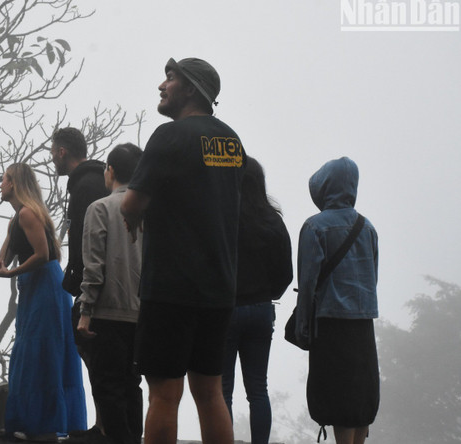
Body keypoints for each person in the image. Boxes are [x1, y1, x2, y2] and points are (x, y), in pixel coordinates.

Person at [121, 57, 246, 444]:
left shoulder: (168, 136)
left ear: (190, 89)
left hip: (171, 287)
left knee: (164, 394)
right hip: (219, 288)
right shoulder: (231, 141)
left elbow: (129, 205)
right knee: (210, 393)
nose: (162, 85)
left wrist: (138, 216)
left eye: (170, 79)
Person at [0, 163, 87, 442]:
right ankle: (31, 422)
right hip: (32, 286)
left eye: (4, 180)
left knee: (41, 352)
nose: (0, 185)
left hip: (46, 286)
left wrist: (13, 274)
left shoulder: (29, 213)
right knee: (30, 352)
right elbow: (0, 262)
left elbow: (42, 255)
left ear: (14, 183)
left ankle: (45, 424)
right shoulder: (15, 219)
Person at [295, 157, 379, 444]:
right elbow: (373, 278)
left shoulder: (315, 227)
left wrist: (303, 329)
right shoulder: (367, 228)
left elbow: (307, 284)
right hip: (363, 323)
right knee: (360, 401)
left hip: (330, 324)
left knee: (339, 399)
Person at [221, 157, 292, 444]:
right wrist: (268, 293)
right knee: (258, 388)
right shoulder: (273, 220)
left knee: (223, 388)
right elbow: (286, 273)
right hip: (262, 310)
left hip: (225, 310)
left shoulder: (222, 218)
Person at [77, 143, 144, 444]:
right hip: (143, 313)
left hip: (108, 311)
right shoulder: (150, 209)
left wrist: (85, 312)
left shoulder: (100, 208)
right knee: (133, 384)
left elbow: (94, 266)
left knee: (108, 387)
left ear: (111, 171)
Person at [50, 126, 109, 438]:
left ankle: (103, 428)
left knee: (98, 359)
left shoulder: (85, 186)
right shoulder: (98, 179)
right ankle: (102, 425)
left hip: (95, 286)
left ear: (62, 152)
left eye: (52, 152)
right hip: (105, 282)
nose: (51, 158)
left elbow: (87, 241)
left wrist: (77, 283)